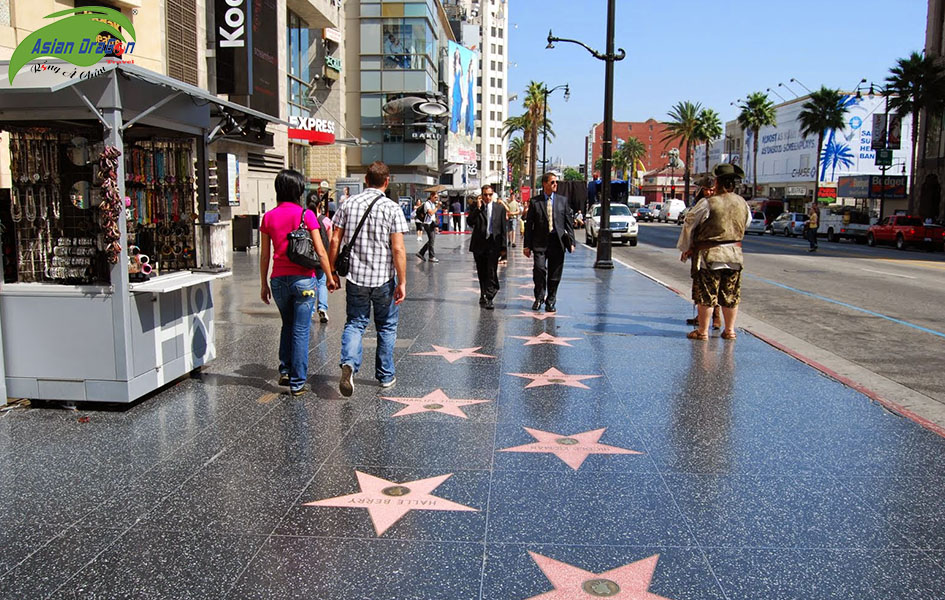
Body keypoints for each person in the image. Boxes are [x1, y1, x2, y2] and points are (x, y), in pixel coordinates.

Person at [328, 161, 408, 396]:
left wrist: (331, 271)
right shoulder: (392, 208)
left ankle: (349, 364)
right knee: (386, 326)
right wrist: (402, 281)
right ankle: (385, 375)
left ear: (365, 179)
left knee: (355, 323)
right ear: (387, 181)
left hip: (356, 277)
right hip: (383, 278)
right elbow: (398, 249)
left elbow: (334, 240)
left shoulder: (348, 204)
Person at [259, 169, 338, 396]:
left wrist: (263, 283)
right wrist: (330, 277)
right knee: (301, 330)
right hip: (304, 280)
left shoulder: (269, 217)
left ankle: (284, 369)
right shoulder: (306, 215)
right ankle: (297, 382)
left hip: (278, 280)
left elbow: (265, 255)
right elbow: (321, 251)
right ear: (298, 190)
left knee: (287, 324)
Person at [677, 163, 751, 341]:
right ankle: (730, 330)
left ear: (717, 182)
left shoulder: (708, 203)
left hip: (711, 255)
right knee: (731, 294)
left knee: (707, 294)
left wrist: (686, 247)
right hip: (734, 254)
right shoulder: (743, 203)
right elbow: (746, 224)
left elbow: (690, 223)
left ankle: (702, 332)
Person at [523, 172, 575, 313]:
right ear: (545, 184)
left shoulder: (562, 201)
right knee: (539, 270)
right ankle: (539, 298)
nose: (555, 185)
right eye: (552, 182)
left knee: (555, 274)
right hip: (539, 242)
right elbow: (529, 225)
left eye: (556, 182)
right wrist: (526, 245)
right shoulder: (535, 202)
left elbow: (568, 223)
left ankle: (550, 301)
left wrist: (571, 241)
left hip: (557, 242)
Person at [682, 176, 721, 331]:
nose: (709, 192)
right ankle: (702, 316)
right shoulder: (703, 203)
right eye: (706, 189)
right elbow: (691, 224)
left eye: (711, 189)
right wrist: (688, 246)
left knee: (710, 285)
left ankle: (715, 317)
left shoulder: (711, 204)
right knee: (700, 284)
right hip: (702, 248)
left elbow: (689, 222)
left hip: (710, 249)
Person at [468, 184, 508, 310]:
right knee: (481, 271)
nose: (488, 197)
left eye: (490, 194)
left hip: (493, 244)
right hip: (479, 244)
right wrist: (478, 209)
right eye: (485, 195)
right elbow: (470, 222)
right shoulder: (476, 207)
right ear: (481, 195)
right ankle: (483, 293)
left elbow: (503, 229)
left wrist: (503, 249)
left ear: (493, 195)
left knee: (491, 270)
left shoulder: (499, 208)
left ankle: (490, 297)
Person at [305, 194, 333, 323]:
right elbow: (331, 241)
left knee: (310, 283)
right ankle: (322, 308)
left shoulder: (303, 219)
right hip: (321, 258)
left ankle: (309, 311)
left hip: (306, 257)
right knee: (321, 282)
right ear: (319, 205)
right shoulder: (326, 221)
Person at [416, 191, 439, 263]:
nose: (436, 198)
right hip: (427, 224)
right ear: (431, 196)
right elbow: (431, 213)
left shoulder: (432, 204)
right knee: (432, 239)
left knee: (431, 240)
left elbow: (434, 215)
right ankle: (431, 256)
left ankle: (421, 253)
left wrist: (436, 224)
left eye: (437, 197)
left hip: (431, 223)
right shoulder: (427, 204)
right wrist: (437, 207)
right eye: (435, 197)